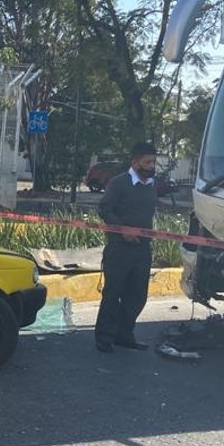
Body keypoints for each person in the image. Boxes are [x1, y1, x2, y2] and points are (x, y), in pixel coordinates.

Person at [94, 141, 159, 353]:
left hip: (142, 249)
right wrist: (122, 229)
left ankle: (124, 334)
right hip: (119, 248)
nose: (151, 166)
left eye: (153, 162)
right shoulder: (119, 183)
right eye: (147, 162)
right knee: (113, 293)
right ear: (135, 162)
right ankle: (104, 337)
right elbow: (104, 209)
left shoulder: (151, 185)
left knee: (137, 294)